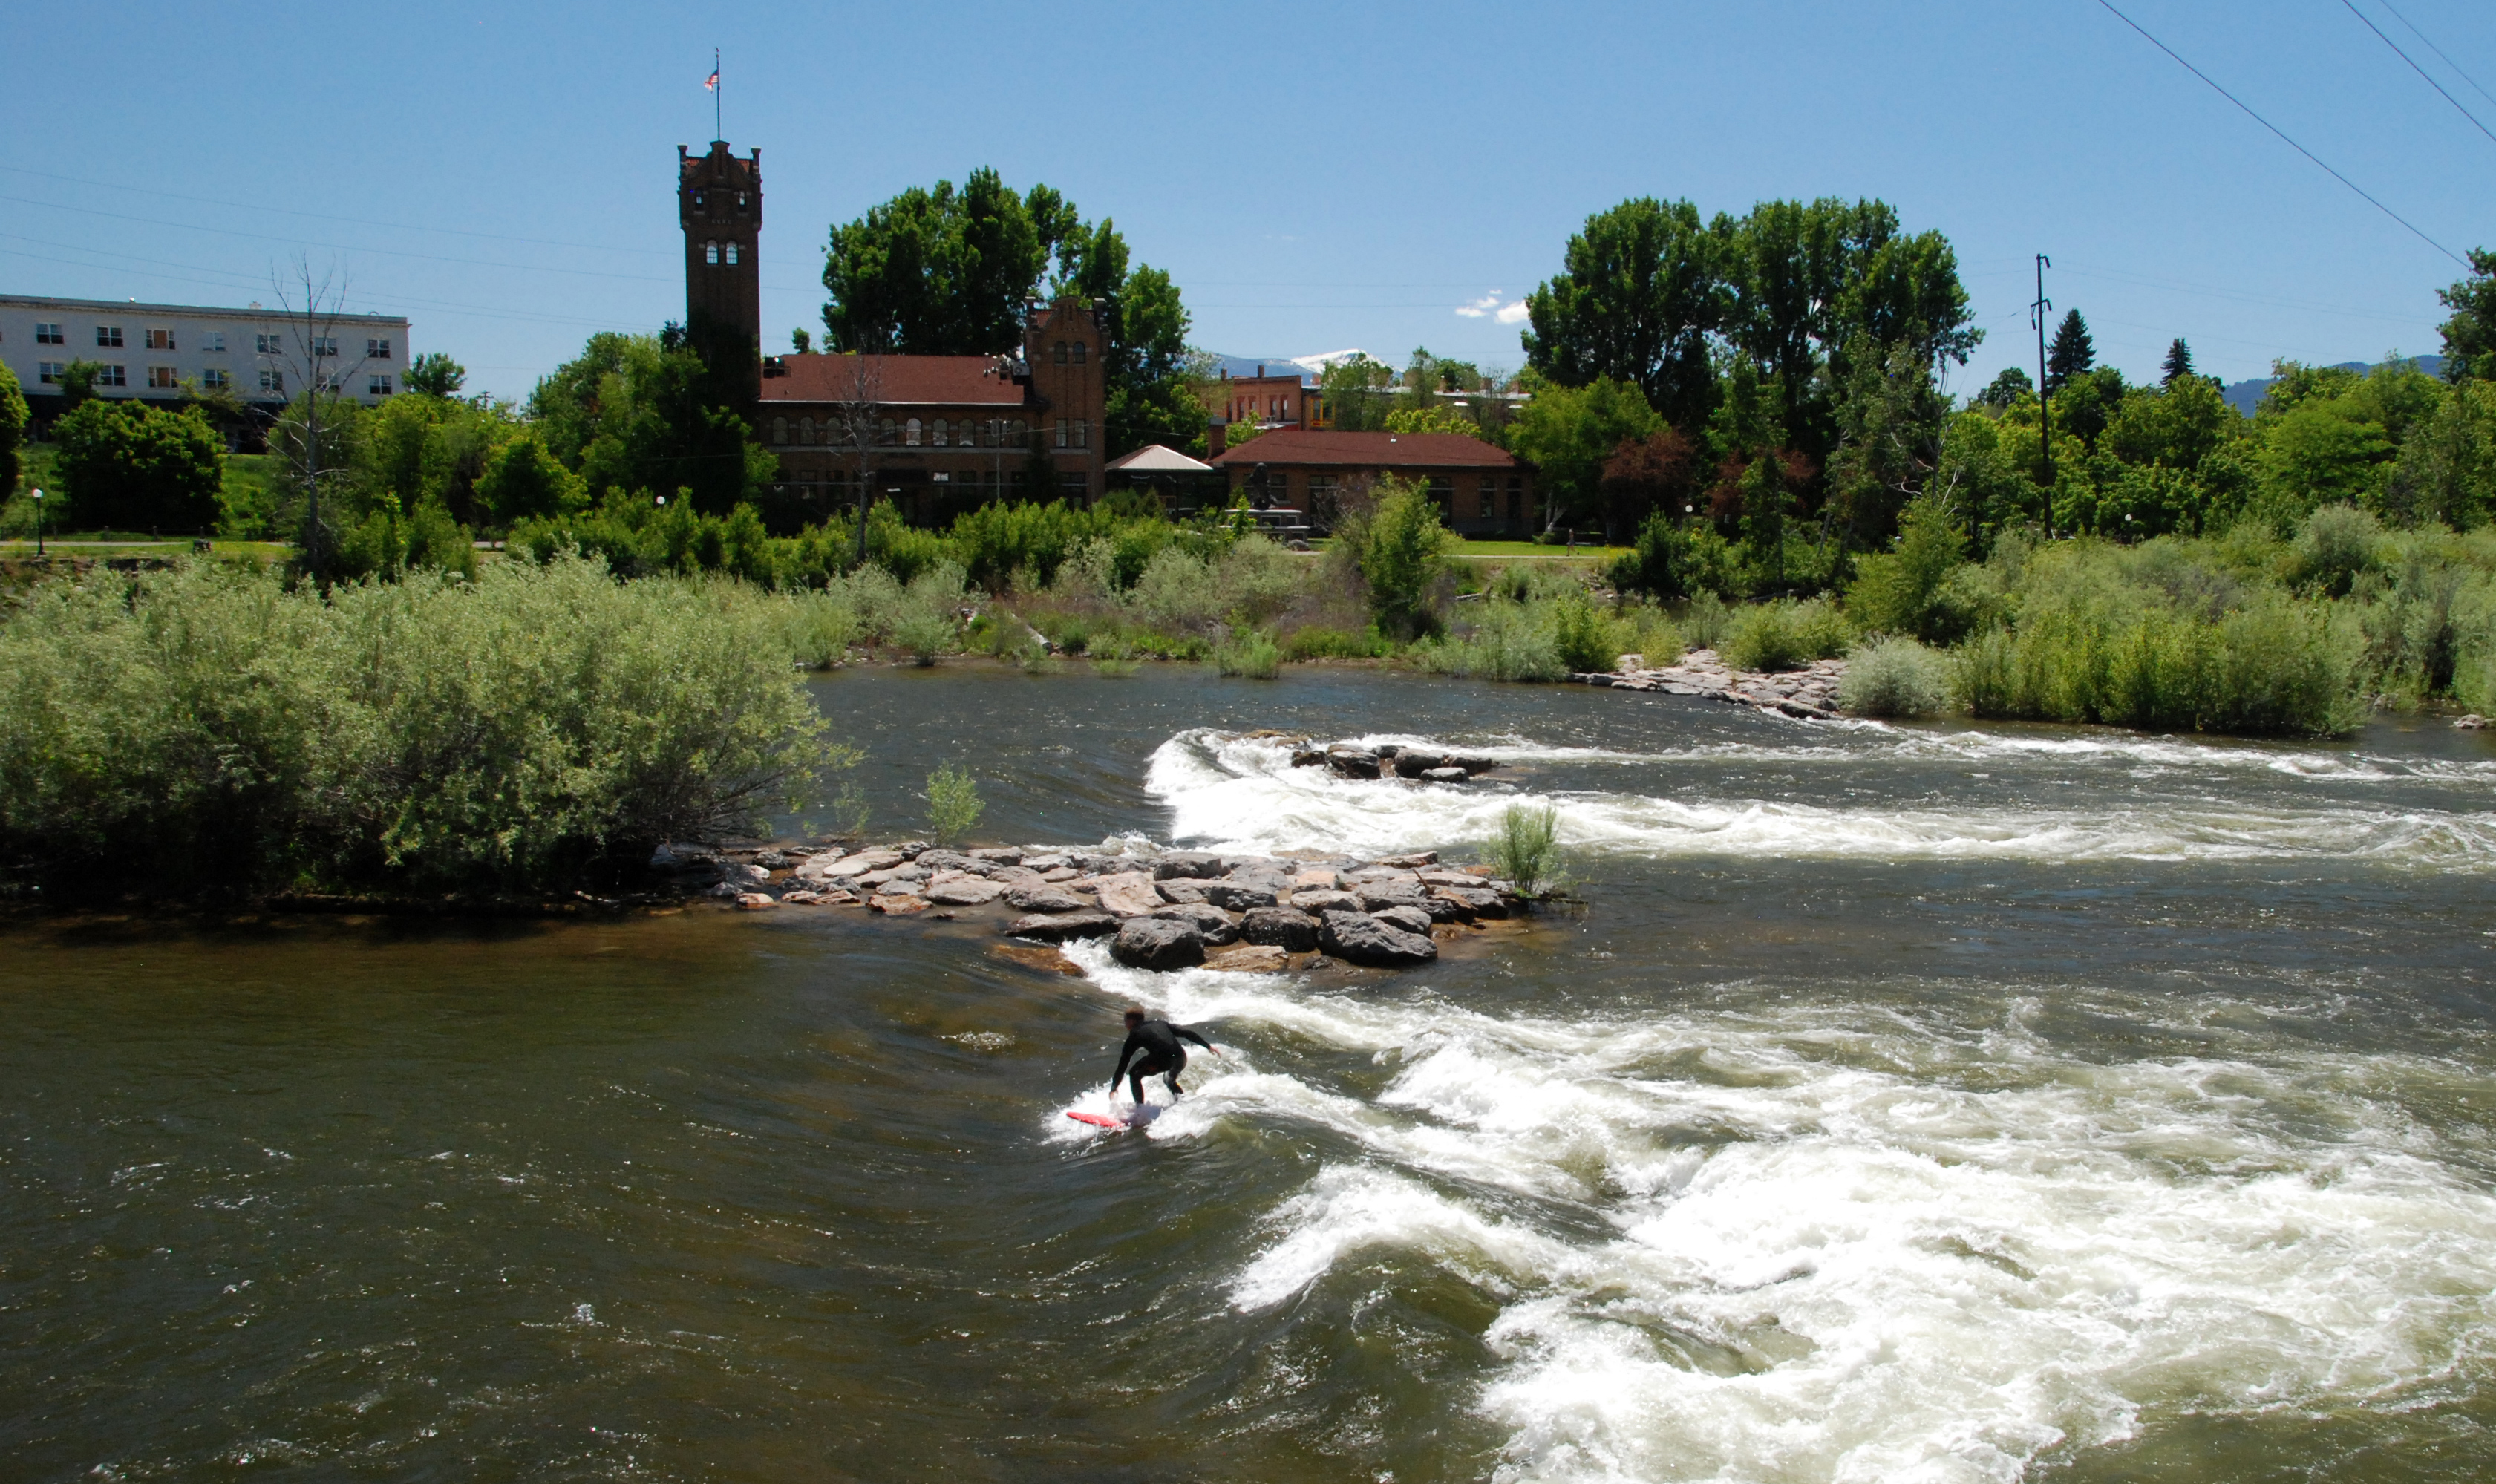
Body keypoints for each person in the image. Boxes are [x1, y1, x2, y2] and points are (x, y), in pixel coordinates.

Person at [1108, 1008, 1214, 1105]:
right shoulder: (1159, 1023)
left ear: (1131, 1021)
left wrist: (1114, 1088)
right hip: (1180, 1057)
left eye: (1125, 1021)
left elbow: (1123, 1064)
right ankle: (1183, 1103)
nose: (1125, 1024)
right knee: (1169, 1080)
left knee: (1134, 1074)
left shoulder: (1135, 1034)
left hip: (1164, 1060)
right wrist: (1208, 1046)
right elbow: (1187, 1033)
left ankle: (1140, 1110)